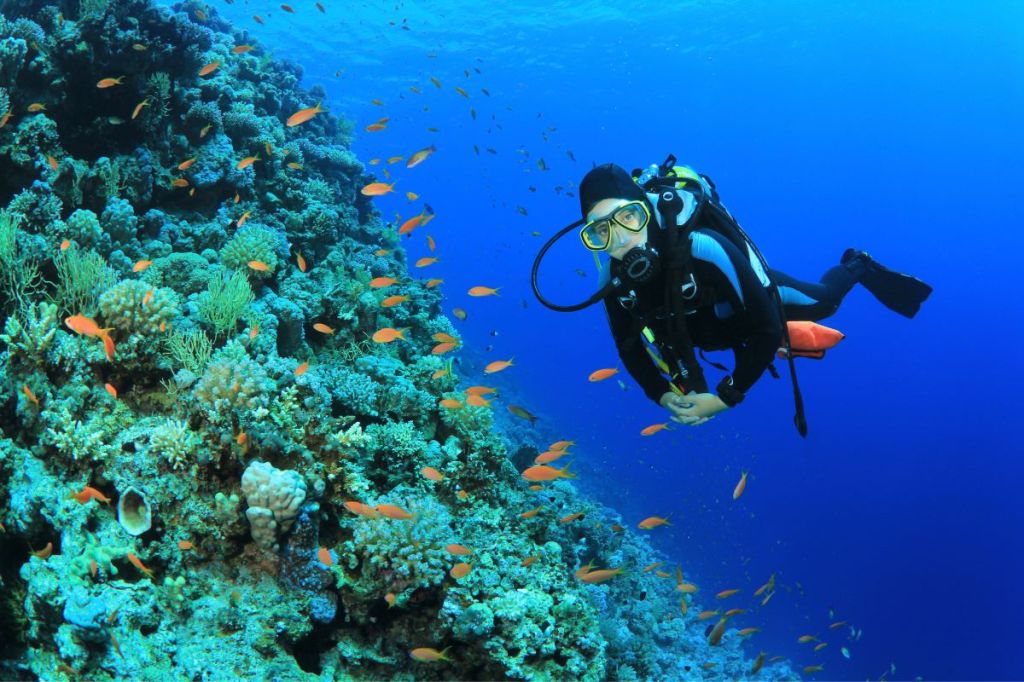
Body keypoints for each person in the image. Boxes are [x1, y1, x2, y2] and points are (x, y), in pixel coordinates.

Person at [573, 162, 932, 430]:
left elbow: (766, 325)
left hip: (747, 309)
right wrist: (662, 393)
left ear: (646, 210)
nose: (620, 238)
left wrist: (723, 398)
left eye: (629, 216)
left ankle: (858, 264)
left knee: (824, 303)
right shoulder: (613, 278)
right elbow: (629, 347)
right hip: (703, 331)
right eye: (601, 230)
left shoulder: (702, 247)